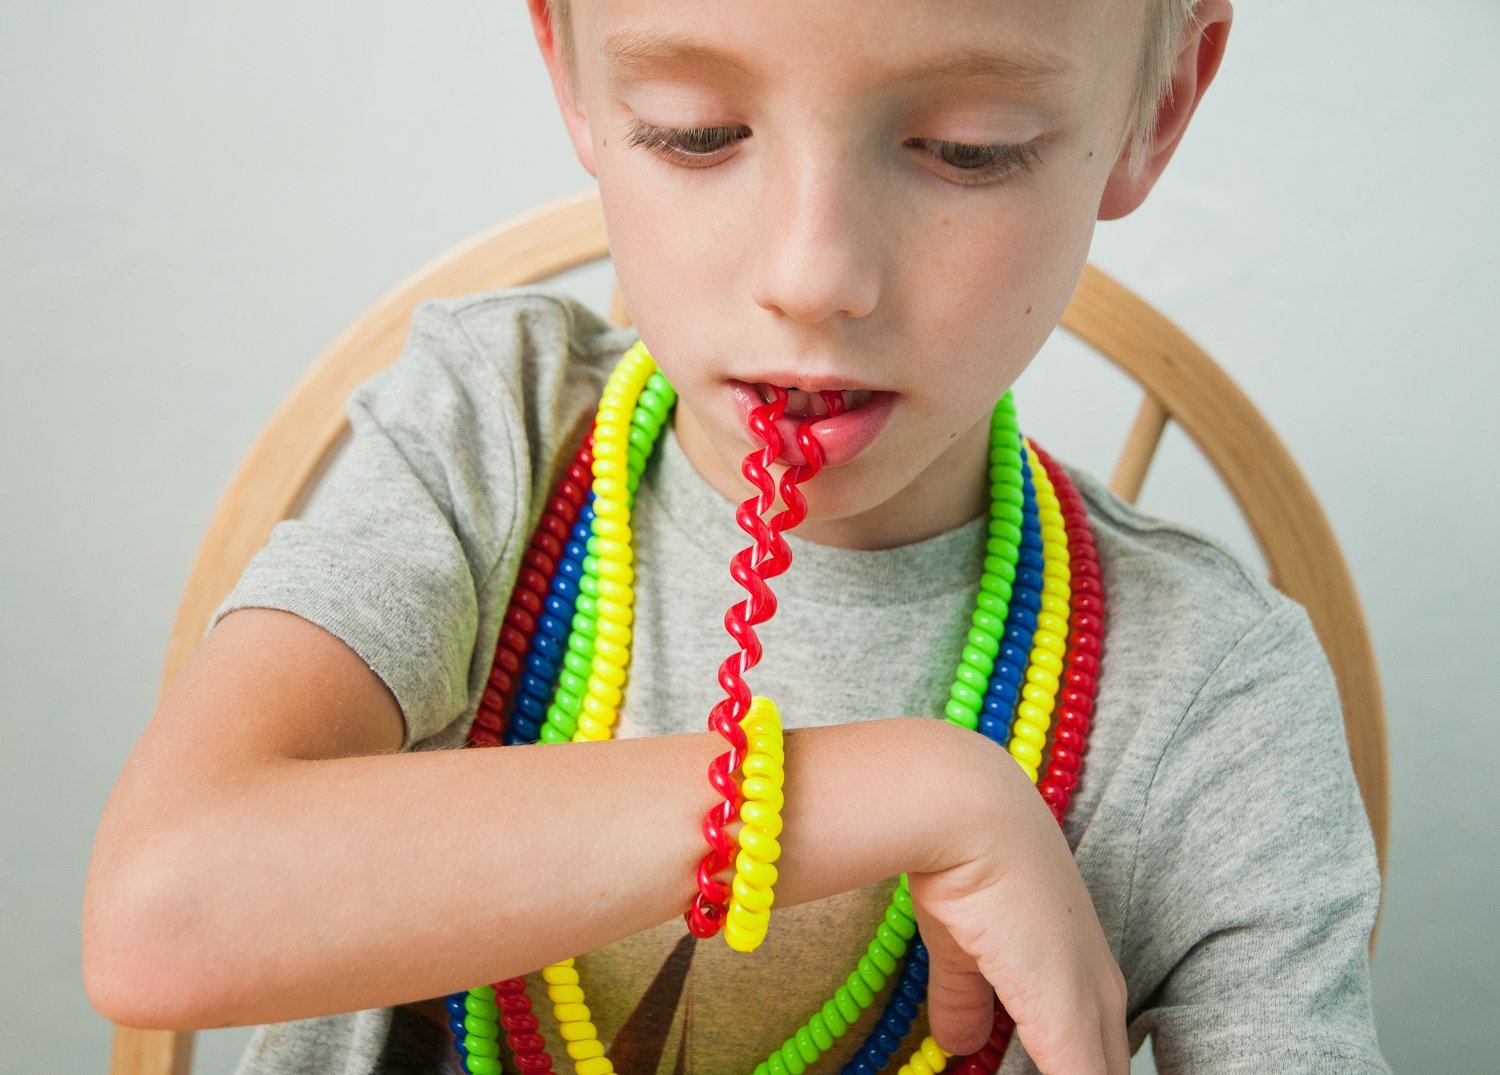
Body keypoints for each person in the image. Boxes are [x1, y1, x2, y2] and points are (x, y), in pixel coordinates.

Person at [83, 0, 1389, 1071]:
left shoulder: (1213, 692)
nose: (811, 274)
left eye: (969, 144)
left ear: (1155, 106)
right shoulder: (487, 441)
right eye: (695, 132)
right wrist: (918, 793)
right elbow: (163, 912)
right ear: (573, 73)